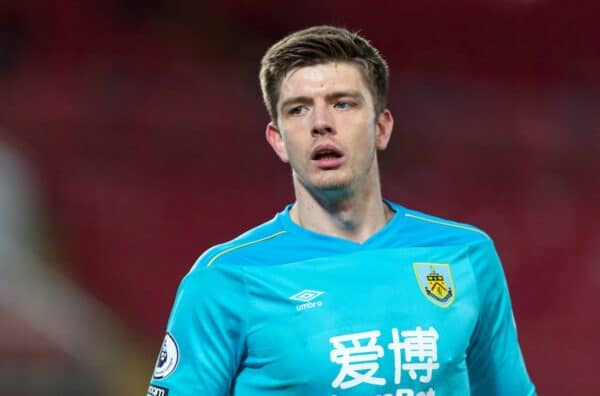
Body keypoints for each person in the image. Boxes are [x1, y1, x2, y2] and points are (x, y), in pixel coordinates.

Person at [147, 25, 535, 396]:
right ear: (278, 140)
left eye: (342, 103)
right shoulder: (225, 278)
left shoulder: (464, 255)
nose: (321, 124)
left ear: (381, 128)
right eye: (298, 109)